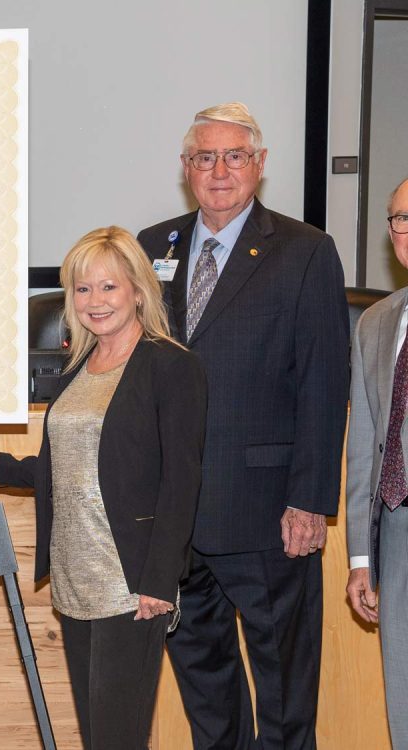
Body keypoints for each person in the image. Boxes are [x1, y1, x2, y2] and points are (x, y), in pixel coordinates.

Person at [138, 102, 349, 749]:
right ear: (185, 168)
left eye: (234, 156)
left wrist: (309, 501)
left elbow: (323, 381)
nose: (219, 170)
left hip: (267, 518)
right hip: (175, 523)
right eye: (205, 157)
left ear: (258, 165)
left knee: (283, 701)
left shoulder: (305, 251)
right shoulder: (151, 247)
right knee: (207, 696)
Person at [0, 226, 206, 749]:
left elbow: (181, 483)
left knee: (117, 739)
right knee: (97, 735)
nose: (94, 301)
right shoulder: (80, 366)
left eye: (108, 287)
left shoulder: (171, 366)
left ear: (138, 290)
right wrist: (2, 463)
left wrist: (159, 583)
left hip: (131, 582)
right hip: (75, 578)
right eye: (82, 289)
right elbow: (70, 467)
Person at [346, 177, 408, 749]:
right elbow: (365, 445)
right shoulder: (374, 323)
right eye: (400, 219)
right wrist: (362, 558)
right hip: (396, 535)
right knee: (403, 697)